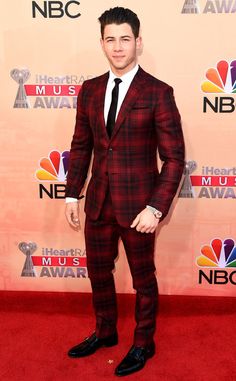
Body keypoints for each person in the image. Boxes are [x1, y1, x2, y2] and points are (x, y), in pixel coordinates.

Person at [65, 6, 185, 377]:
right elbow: (81, 145)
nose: (118, 47)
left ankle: (143, 342)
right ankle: (105, 332)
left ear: (138, 42)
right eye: (110, 39)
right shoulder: (90, 90)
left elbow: (175, 159)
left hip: (139, 208)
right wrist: (72, 194)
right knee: (98, 274)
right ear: (102, 43)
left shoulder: (158, 92)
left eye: (125, 39)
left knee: (142, 278)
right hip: (98, 203)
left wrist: (155, 208)